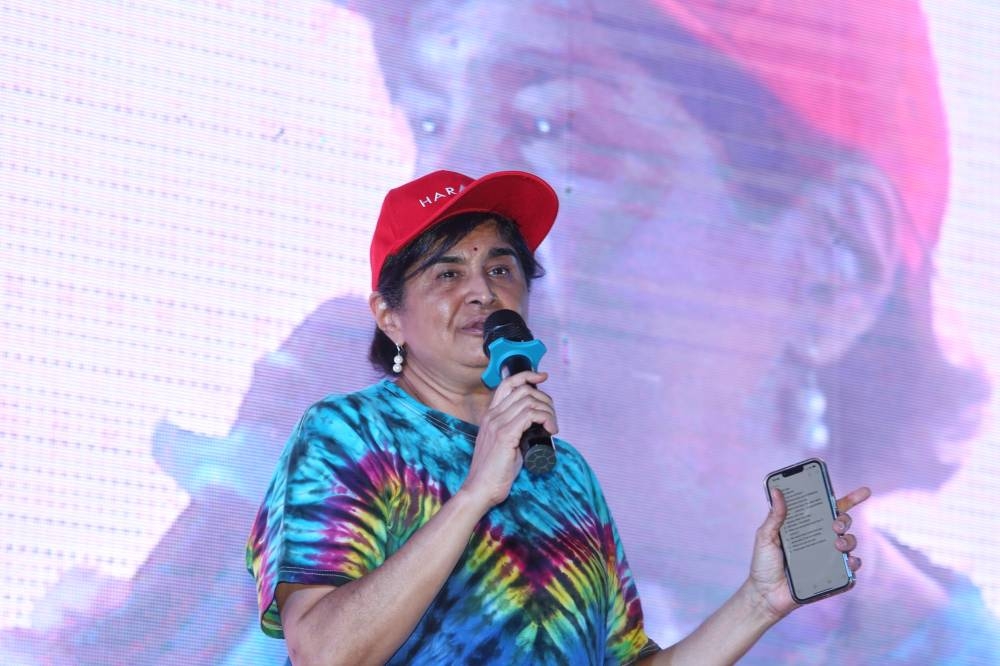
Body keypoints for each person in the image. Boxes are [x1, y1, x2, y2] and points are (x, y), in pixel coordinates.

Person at [245, 168, 868, 664]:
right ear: (388, 315)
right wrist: (474, 495)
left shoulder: (562, 470)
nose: (482, 291)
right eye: (447, 272)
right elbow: (323, 651)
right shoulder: (346, 436)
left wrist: (760, 600)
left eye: (500, 268)